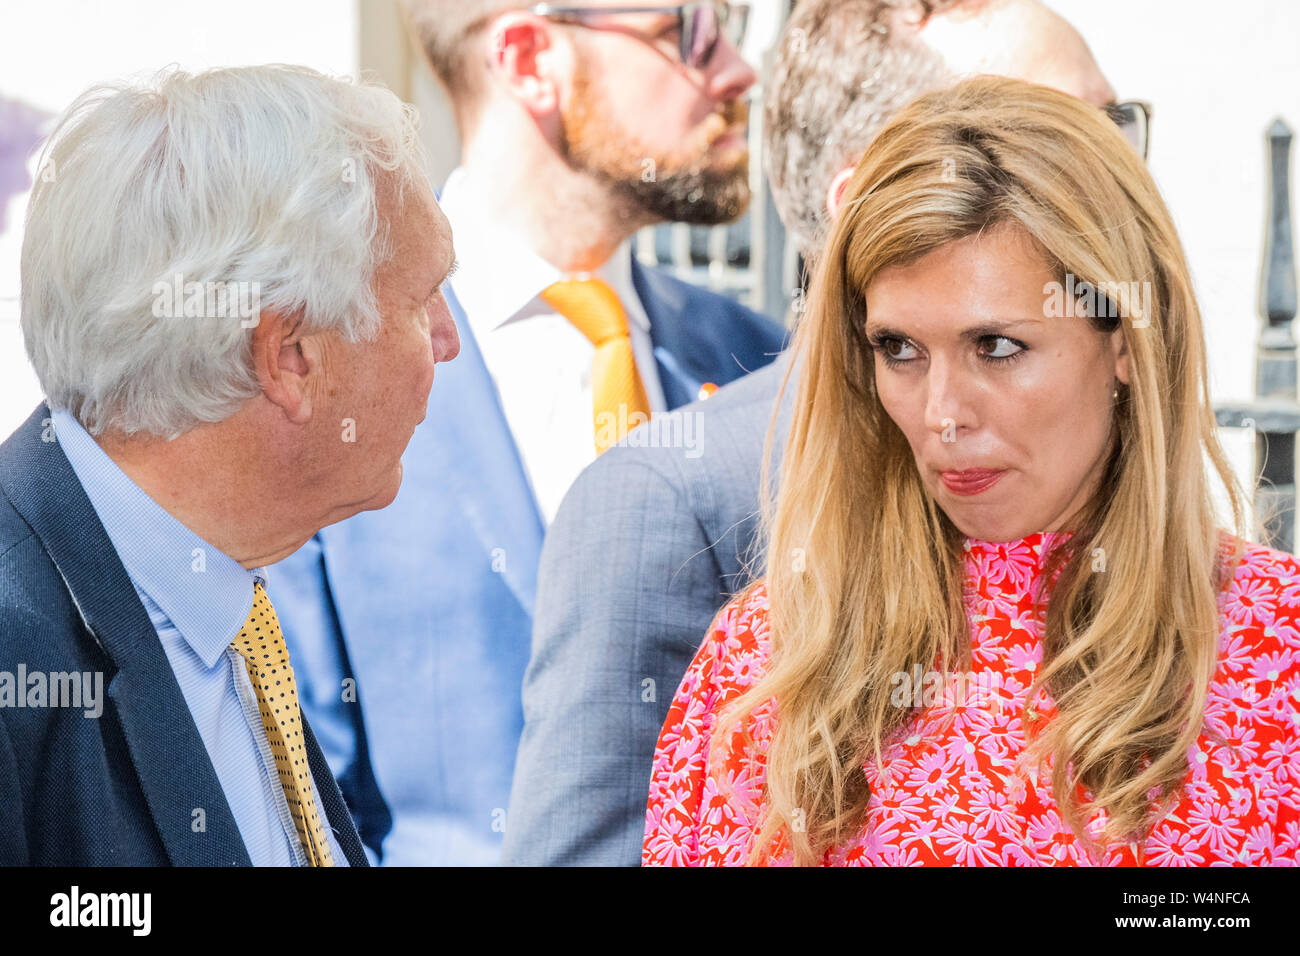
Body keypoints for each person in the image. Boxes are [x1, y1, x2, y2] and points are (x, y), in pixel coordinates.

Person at [507, 0, 1136, 865]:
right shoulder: (678, 517)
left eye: (1116, 130)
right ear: (868, 199)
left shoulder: (1257, 634)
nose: (1116, 177)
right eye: (1048, 135)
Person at [643, 74, 1300, 866]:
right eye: (899, 350)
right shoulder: (767, 661)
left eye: (996, 346)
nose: (943, 411)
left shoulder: (1276, 648)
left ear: (1124, 341)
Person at [268, 0, 787, 866]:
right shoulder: (323, 373)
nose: (737, 70)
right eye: (687, 31)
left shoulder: (763, 366)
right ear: (527, 57)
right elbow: (301, 806)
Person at [0, 65, 460, 866]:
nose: (448, 342)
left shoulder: (216, 592)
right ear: (288, 357)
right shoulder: (20, 653)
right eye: (422, 302)